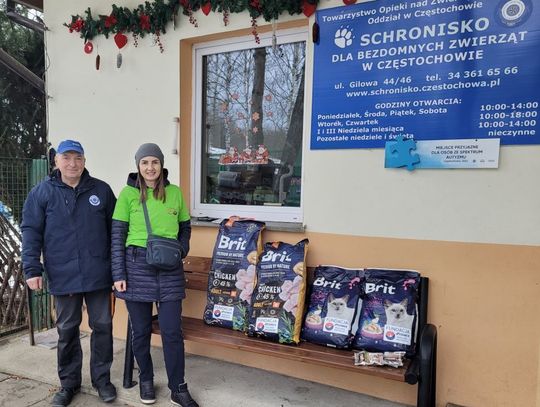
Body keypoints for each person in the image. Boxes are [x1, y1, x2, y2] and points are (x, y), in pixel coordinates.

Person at [21, 140, 117, 406]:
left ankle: (102, 380)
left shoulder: (102, 190)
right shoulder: (42, 193)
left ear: (85, 161)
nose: (72, 163)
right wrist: (32, 268)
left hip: (99, 273)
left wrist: (118, 269)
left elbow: (116, 233)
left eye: (78, 158)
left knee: (103, 327)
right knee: (66, 329)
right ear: (56, 161)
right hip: (63, 275)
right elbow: (30, 232)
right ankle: (69, 384)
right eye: (67, 158)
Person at [111, 143, 198, 407]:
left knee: (172, 331)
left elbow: (185, 228)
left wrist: (181, 249)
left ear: (161, 165)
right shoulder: (127, 195)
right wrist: (118, 273)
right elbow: (117, 238)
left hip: (170, 269)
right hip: (136, 267)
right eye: (145, 162)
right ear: (138, 166)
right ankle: (146, 379)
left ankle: (178, 387)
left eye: (155, 162)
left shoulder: (175, 194)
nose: (150, 168)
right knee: (141, 331)